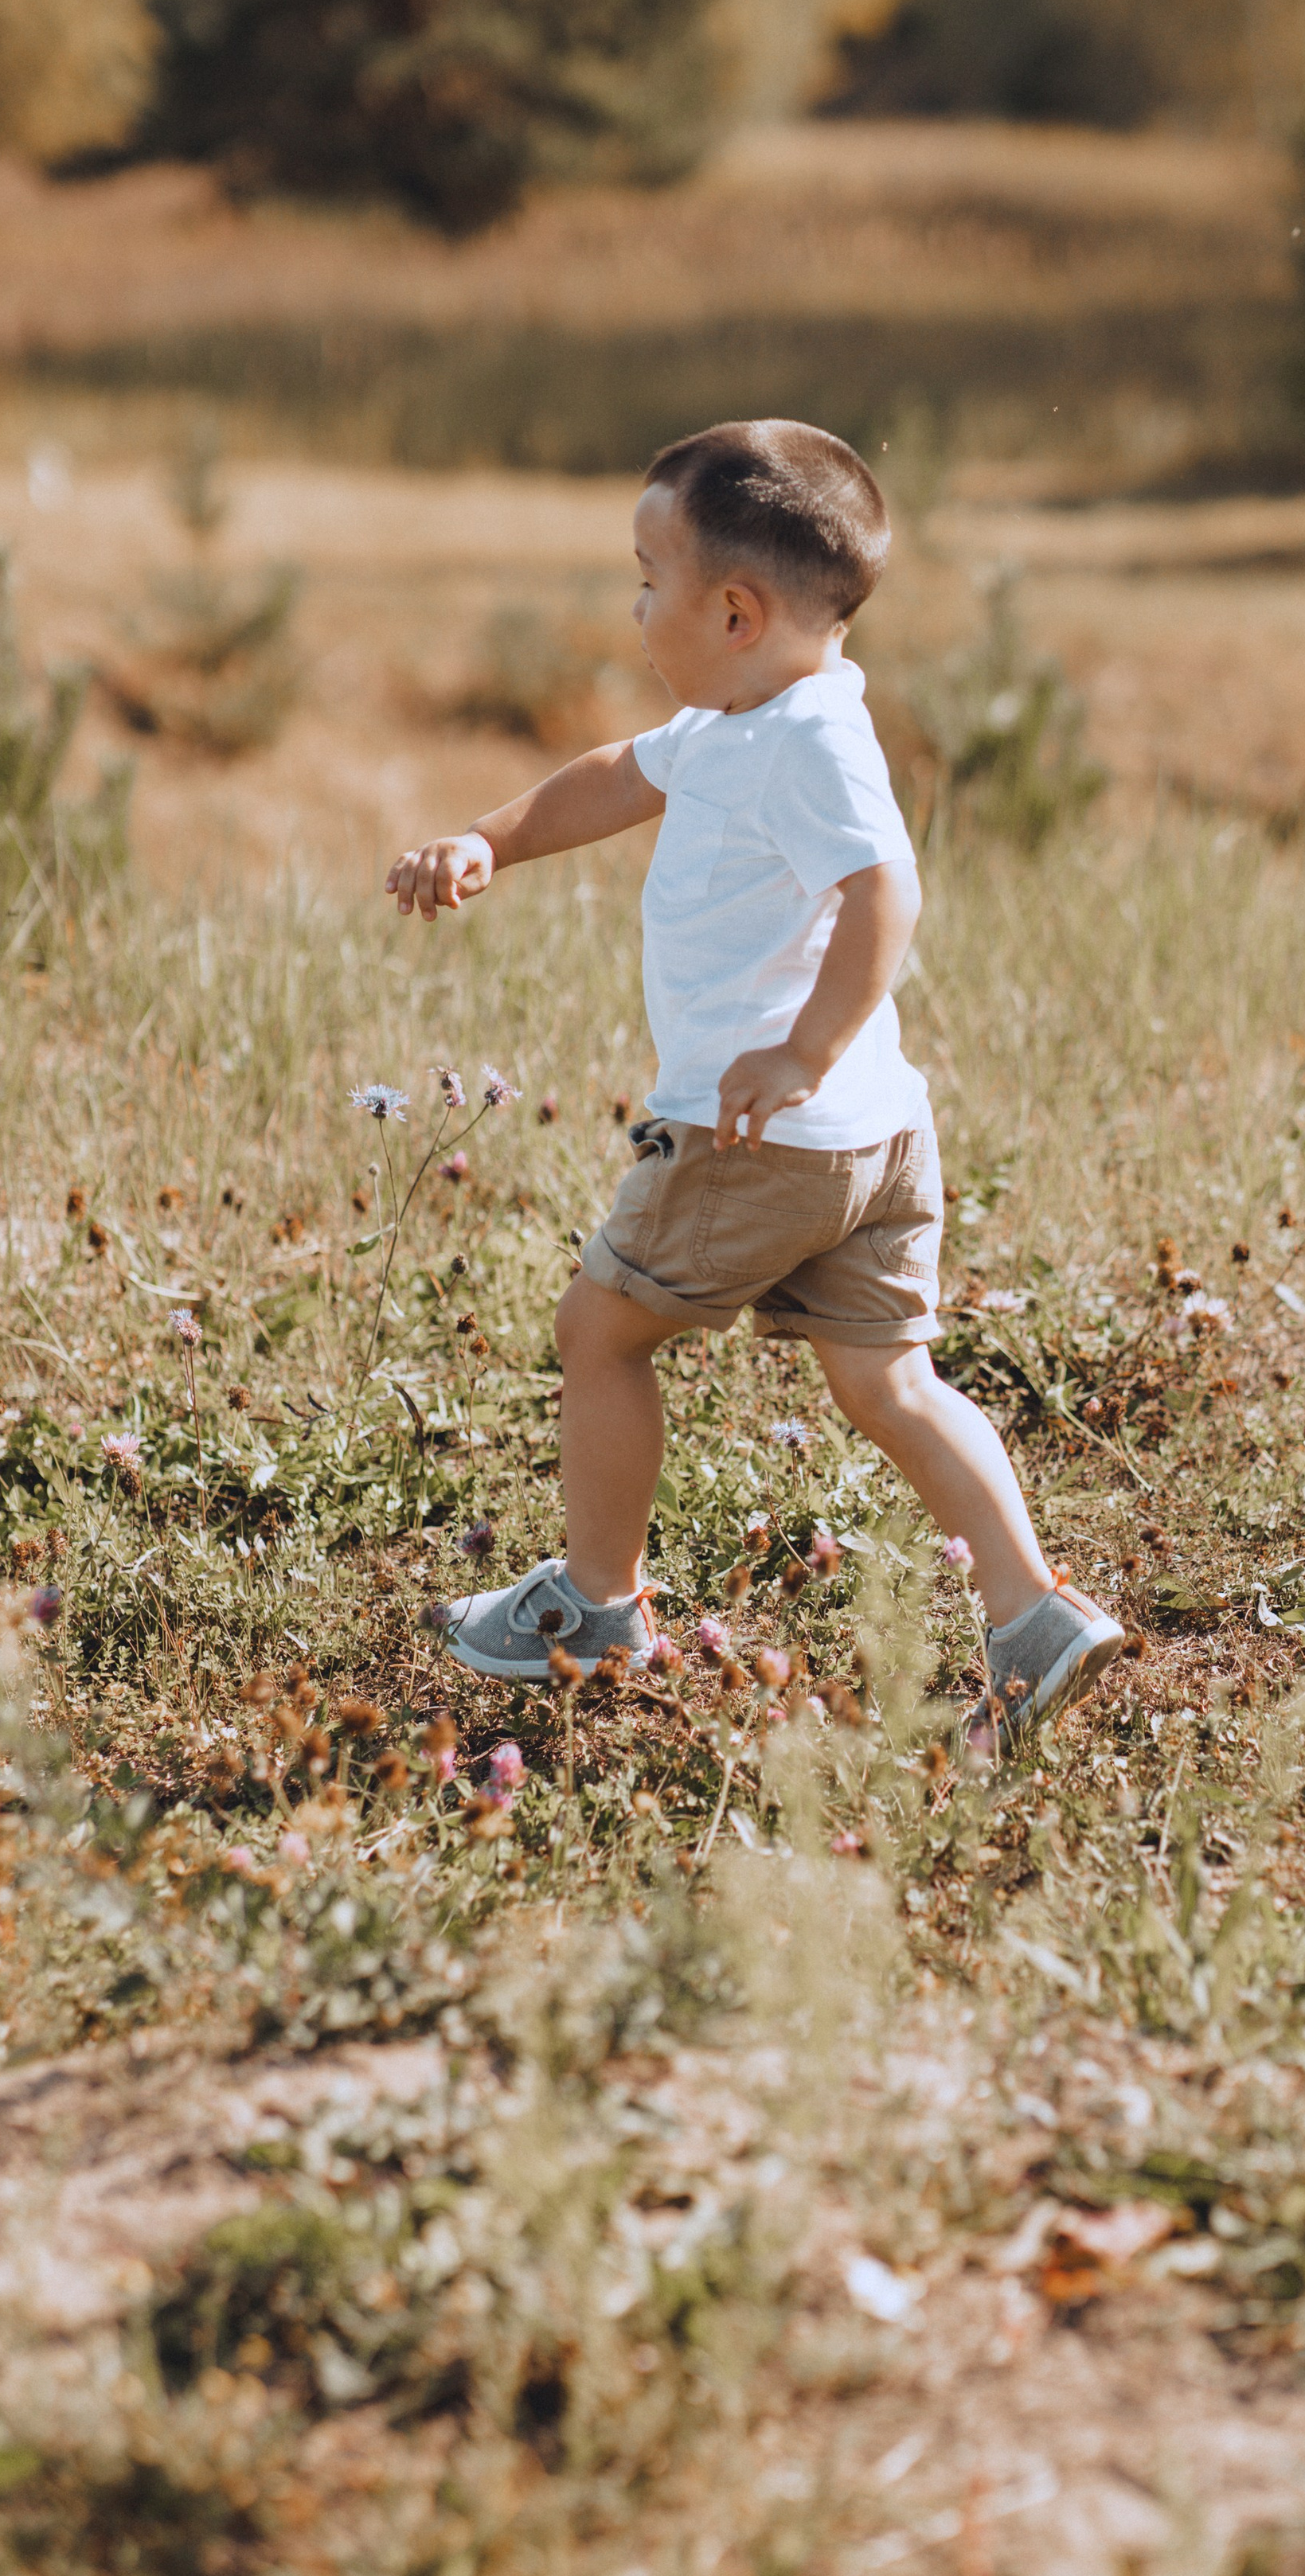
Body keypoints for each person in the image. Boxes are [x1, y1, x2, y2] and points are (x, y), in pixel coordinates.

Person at [384, 418, 1122, 1751]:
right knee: (890, 1384)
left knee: (601, 1335)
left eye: (647, 578)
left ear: (733, 610)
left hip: (767, 1135)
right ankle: (1032, 1613)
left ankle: (600, 1607)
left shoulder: (805, 747)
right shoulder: (744, 717)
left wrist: (800, 1052)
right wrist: (492, 840)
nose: (634, 604)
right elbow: (621, 774)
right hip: (877, 1140)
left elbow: (886, 890)